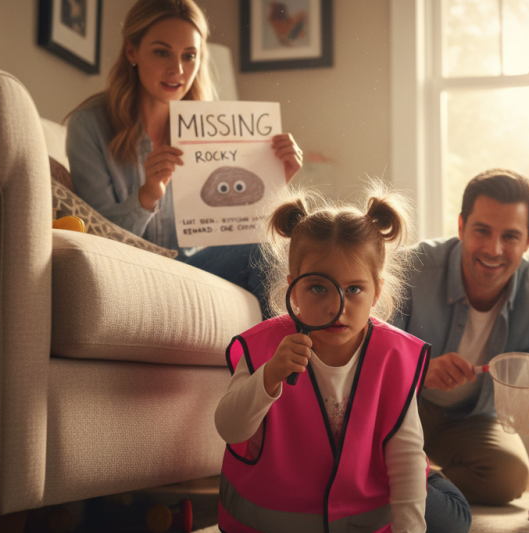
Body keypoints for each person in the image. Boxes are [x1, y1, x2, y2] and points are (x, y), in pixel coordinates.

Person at [214, 183, 472, 532]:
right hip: (273, 516)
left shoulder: (393, 355)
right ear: (294, 288)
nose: (337, 307)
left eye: (354, 289)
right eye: (318, 287)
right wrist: (269, 376)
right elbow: (229, 429)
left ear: (376, 292)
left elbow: (405, 455)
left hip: (364, 508)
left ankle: (432, 479)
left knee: (451, 514)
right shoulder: (263, 349)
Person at [393, 168, 529, 520]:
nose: (493, 250)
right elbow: (368, 357)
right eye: (482, 231)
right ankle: (403, 475)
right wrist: (419, 371)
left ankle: (411, 480)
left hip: (470, 420)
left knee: (509, 476)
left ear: (528, 241)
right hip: (402, 406)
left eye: (510, 236)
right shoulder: (409, 268)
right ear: (461, 226)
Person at [65, 0, 303, 262]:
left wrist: (274, 180)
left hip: (194, 266)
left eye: (189, 55)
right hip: (131, 266)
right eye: (161, 52)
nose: (177, 70)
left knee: (272, 250)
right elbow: (97, 238)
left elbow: (233, 228)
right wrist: (147, 196)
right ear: (132, 51)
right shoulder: (89, 126)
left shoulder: (209, 129)